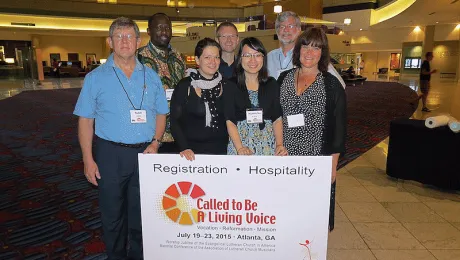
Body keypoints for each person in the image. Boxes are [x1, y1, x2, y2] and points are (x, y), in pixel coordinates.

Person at [74, 17, 169, 259]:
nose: (125, 41)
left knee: (142, 214)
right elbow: (85, 120)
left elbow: (161, 113)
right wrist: (88, 159)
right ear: (110, 42)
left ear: (138, 41)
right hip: (110, 154)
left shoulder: (152, 76)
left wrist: (156, 142)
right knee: (113, 215)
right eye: (119, 36)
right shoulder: (95, 78)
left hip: (146, 154)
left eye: (129, 37)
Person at [277, 27, 347, 231]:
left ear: (322, 53)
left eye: (316, 48)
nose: (309, 52)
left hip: (316, 160)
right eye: (305, 46)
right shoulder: (283, 79)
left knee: (312, 214)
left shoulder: (332, 85)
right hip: (286, 157)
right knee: (287, 209)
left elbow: (339, 129)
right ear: (298, 50)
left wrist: (332, 166)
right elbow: (276, 117)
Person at [170, 38, 235, 160]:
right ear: (197, 60)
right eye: (207, 57)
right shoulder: (185, 85)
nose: (213, 62)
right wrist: (184, 147)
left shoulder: (228, 86)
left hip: (222, 154)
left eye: (216, 57)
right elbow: (175, 121)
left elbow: (233, 120)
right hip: (191, 155)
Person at [225, 37, 287, 156]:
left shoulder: (271, 84)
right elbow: (230, 120)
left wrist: (279, 144)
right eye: (247, 55)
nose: (253, 60)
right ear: (240, 59)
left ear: (263, 58)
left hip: (268, 145)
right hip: (240, 146)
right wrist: (240, 148)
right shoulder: (231, 85)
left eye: (257, 55)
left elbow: (277, 118)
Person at [138, 12, 187, 153]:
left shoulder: (179, 57)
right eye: (159, 28)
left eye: (167, 28)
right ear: (149, 31)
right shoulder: (138, 58)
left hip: (178, 133)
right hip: (149, 136)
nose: (164, 32)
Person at [267, 11, 346, 88]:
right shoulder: (269, 57)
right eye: (282, 26)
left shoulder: (308, 56)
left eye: (290, 26)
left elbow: (340, 85)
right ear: (277, 31)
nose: (286, 30)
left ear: (298, 30)